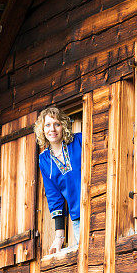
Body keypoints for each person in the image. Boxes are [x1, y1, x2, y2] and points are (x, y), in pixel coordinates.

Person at [34, 106, 82, 254]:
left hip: (99, 206)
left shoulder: (79, 140)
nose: (52, 129)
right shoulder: (44, 160)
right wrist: (59, 237)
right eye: (47, 125)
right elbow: (54, 197)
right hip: (78, 218)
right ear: (42, 130)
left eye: (57, 124)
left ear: (64, 126)